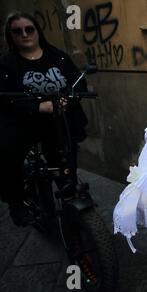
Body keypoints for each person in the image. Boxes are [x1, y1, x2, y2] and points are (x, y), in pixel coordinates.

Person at [0, 12, 88, 226]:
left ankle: (69, 189)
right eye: (17, 31)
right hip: (24, 122)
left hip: (58, 120)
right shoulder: (7, 63)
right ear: (10, 36)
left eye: (29, 29)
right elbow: (4, 96)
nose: (24, 34)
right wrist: (38, 106)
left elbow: (78, 83)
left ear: (37, 31)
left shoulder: (57, 56)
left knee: (65, 160)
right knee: (8, 154)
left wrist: (68, 100)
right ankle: (16, 204)